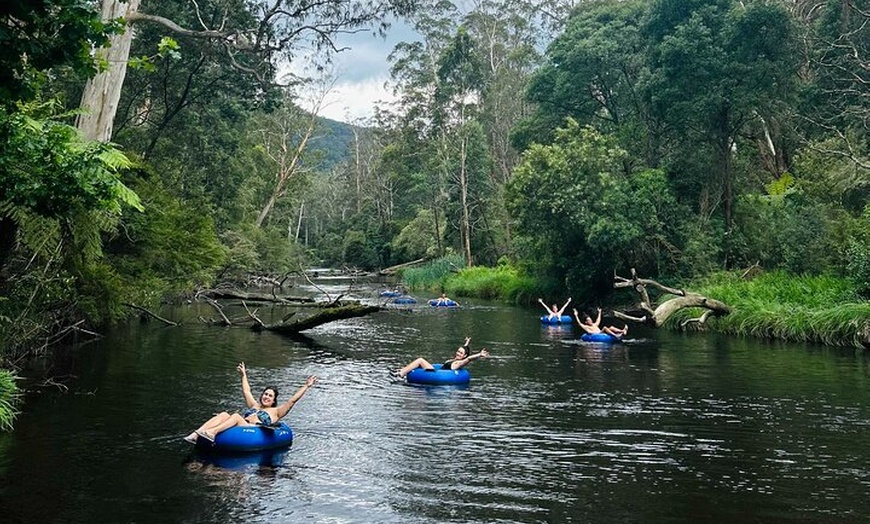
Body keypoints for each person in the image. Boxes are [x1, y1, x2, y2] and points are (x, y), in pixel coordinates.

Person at [185, 362, 318, 444]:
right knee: (224, 414)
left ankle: (212, 433)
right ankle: (196, 435)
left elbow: (292, 400)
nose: (266, 397)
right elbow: (246, 391)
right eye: (265, 394)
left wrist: (306, 386)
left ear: (273, 400)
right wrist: (244, 375)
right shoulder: (255, 406)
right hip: (241, 426)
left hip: (253, 430)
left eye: (270, 396)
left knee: (236, 416)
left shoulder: (277, 411)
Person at [391, 337, 489, 378]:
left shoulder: (458, 363)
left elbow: (469, 358)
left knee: (420, 360)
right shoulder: (456, 359)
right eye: (458, 351)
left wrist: (479, 355)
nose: (458, 353)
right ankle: (401, 370)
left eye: (460, 353)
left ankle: (401, 374)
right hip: (437, 371)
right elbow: (465, 351)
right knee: (419, 361)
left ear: (464, 356)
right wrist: (467, 343)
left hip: (437, 374)